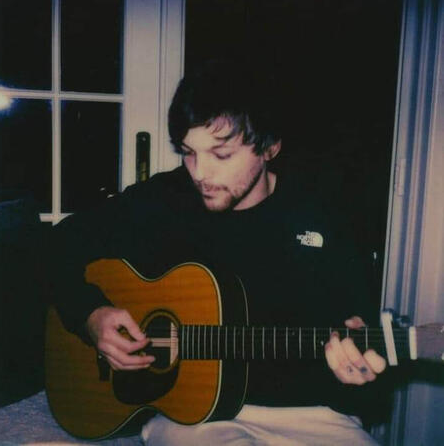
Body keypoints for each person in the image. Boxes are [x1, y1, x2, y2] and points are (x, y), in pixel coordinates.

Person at [50, 61, 388, 445]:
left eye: (221, 155)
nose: (199, 173)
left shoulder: (326, 217)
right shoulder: (165, 199)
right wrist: (89, 315)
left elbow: (363, 346)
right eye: (188, 152)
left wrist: (359, 370)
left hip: (313, 414)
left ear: (270, 147)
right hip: (192, 417)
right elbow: (59, 245)